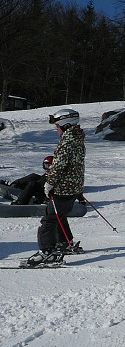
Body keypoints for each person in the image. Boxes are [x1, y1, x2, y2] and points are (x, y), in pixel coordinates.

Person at [26, 109, 85, 267]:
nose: (56, 129)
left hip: (64, 188)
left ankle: (47, 252)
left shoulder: (68, 141)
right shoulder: (76, 138)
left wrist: (50, 182)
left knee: (49, 221)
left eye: (57, 126)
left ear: (66, 125)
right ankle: (65, 243)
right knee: (59, 216)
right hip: (72, 187)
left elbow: (58, 166)